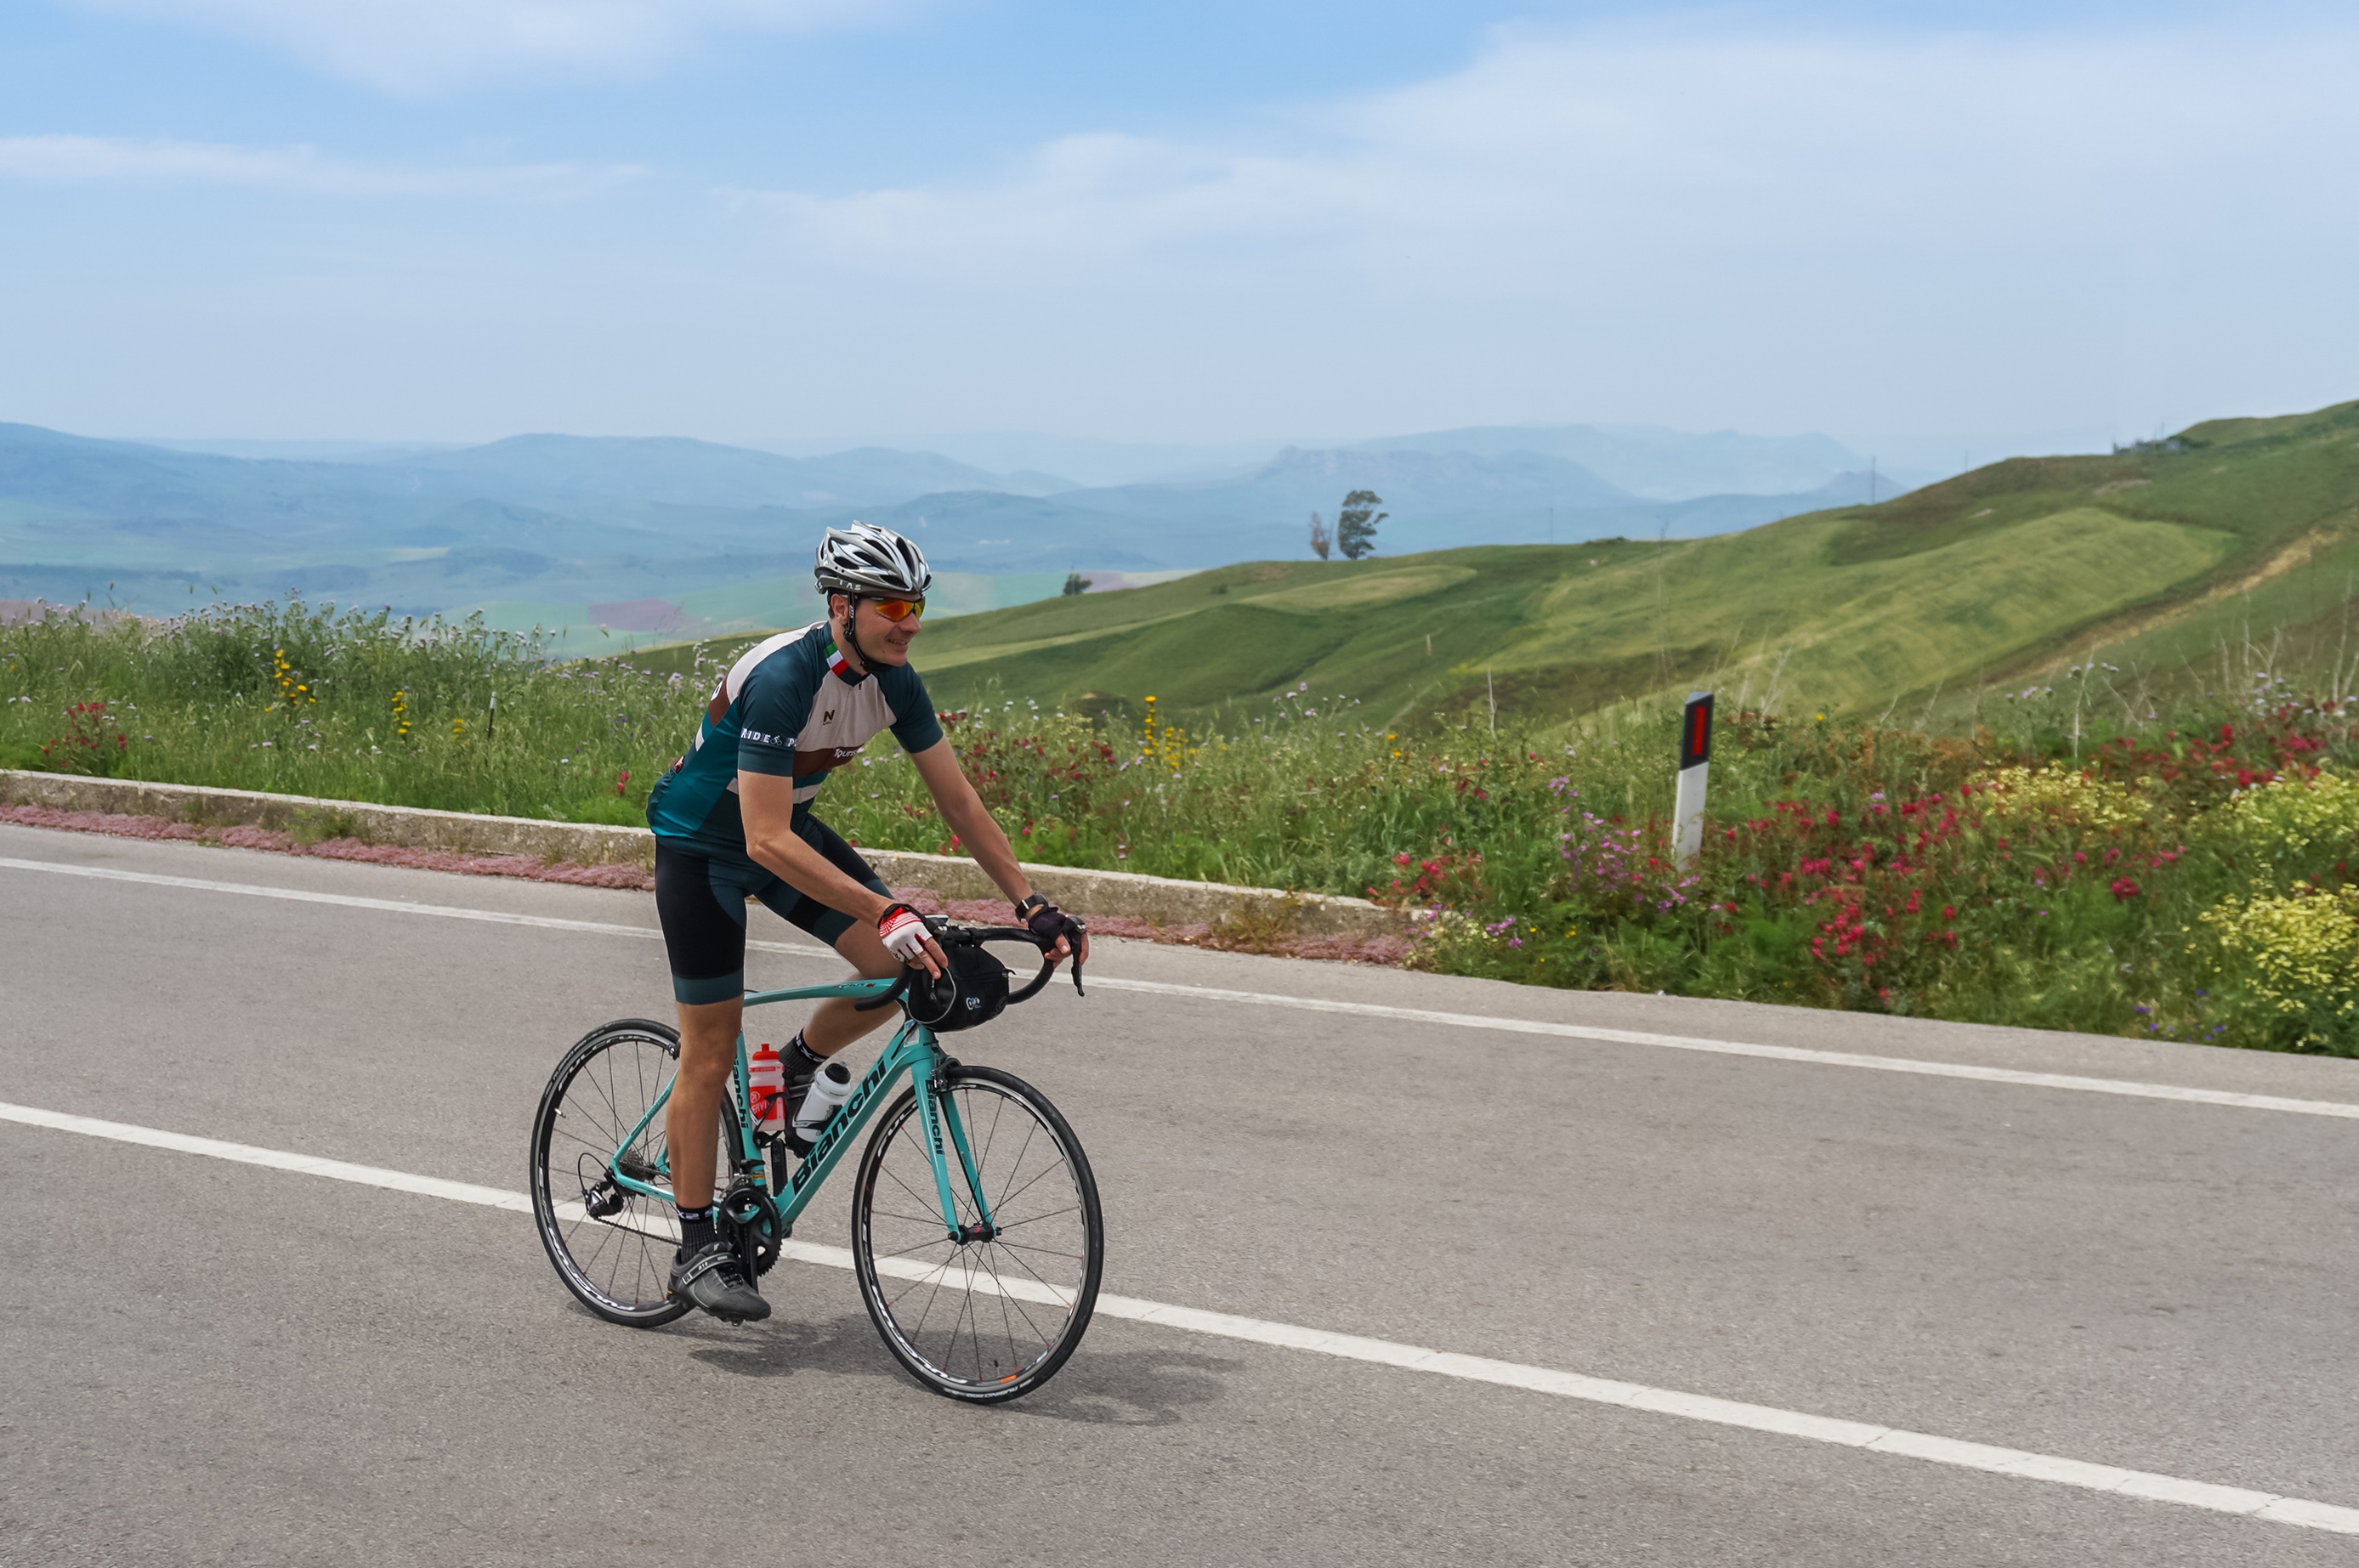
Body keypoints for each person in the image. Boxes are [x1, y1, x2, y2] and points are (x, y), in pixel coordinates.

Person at [644, 522, 1087, 1322]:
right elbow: (762, 837)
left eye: (916, 604)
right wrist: (884, 906)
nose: (909, 621)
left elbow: (958, 800)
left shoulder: (894, 679)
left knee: (902, 966)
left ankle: (800, 1065)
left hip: (783, 835)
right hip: (707, 847)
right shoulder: (784, 677)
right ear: (841, 605)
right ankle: (694, 1242)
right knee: (709, 1050)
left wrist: (1029, 901)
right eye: (892, 605)